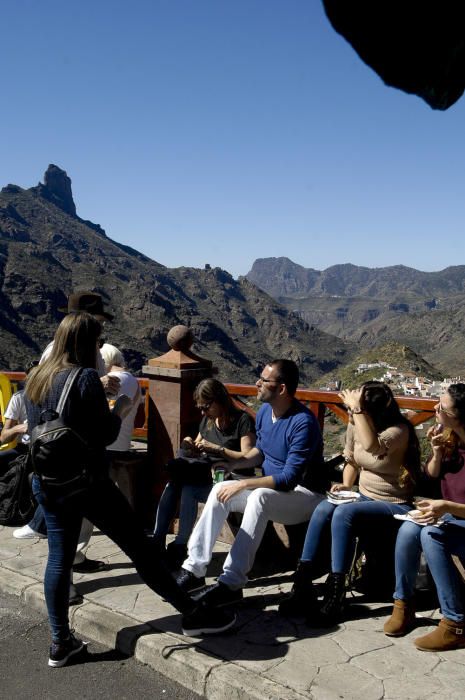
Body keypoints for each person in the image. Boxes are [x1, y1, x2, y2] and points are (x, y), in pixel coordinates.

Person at [25, 312, 233, 668]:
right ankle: (194, 615)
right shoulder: (86, 377)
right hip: (88, 483)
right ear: (88, 343)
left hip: (47, 481)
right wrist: (119, 406)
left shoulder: (36, 378)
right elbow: (103, 434)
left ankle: (61, 642)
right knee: (142, 551)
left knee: (58, 560)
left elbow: (41, 427)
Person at [176, 359, 325, 627]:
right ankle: (194, 568)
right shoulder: (266, 412)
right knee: (222, 487)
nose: (257, 383)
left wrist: (244, 484)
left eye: (263, 380)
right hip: (278, 493)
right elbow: (260, 454)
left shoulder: (303, 422)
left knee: (258, 496)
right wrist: (233, 466)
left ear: (281, 389)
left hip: (306, 496)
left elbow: (290, 478)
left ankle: (231, 583)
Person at [280, 381, 421, 626]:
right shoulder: (356, 423)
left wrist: (356, 411)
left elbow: (371, 447)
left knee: (344, 514)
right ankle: (302, 584)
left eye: (360, 407)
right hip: (365, 497)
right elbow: (352, 460)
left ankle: (336, 594)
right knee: (325, 506)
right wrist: (346, 485)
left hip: (395, 503)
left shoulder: (399, 430)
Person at [383, 383, 465, 652]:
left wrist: (447, 507)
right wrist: (438, 453)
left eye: (441, 407)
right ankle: (403, 604)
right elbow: (429, 478)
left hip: (459, 519)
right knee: (409, 528)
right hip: (452, 517)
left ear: (458, 416)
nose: (435, 409)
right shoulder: (451, 439)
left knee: (431, 535)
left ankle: (455, 622)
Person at [153, 378, 256, 569]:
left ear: (219, 400)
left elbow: (248, 457)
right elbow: (199, 447)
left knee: (189, 490)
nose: (203, 412)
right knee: (174, 484)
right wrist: (189, 445)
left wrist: (218, 449)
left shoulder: (242, 421)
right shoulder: (208, 420)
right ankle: (158, 539)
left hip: (229, 480)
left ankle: (180, 544)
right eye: (200, 407)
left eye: (206, 406)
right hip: (204, 474)